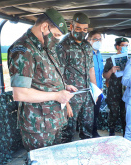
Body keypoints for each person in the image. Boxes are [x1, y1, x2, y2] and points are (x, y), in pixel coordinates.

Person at [7, 8, 77, 151]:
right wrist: (57, 95)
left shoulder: (45, 47)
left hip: (53, 121)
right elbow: (20, 93)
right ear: (45, 27)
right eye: (56, 35)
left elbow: (45, 79)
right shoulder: (23, 49)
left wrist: (63, 87)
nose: (57, 39)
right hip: (38, 126)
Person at [57, 12, 97, 142]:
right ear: (71, 26)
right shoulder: (63, 46)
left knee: (87, 130)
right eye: (78, 28)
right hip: (71, 96)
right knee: (67, 133)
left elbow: (91, 69)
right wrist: (66, 102)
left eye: (85, 29)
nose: (82, 32)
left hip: (87, 95)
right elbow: (58, 75)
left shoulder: (87, 46)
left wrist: (95, 91)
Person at [103, 37, 129, 136]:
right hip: (113, 92)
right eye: (123, 45)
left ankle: (126, 135)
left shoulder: (129, 60)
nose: (125, 47)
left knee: (124, 114)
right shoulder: (110, 60)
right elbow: (105, 75)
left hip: (125, 91)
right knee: (113, 114)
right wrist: (111, 71)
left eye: (127, 46)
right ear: (117, 47)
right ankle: (111, 133)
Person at [87, 30, 104, 138]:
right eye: (95, 39)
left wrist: (100, 88)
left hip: (99, 88)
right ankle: (89, 134)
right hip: (90, 89)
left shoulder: (99, 54)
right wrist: (95, 90)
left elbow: (100, 73)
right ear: (89, 40)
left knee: (96, 112)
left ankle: (94, 131)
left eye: (100, 39)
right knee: (89, 113)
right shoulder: (87, 53)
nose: (98, 41)